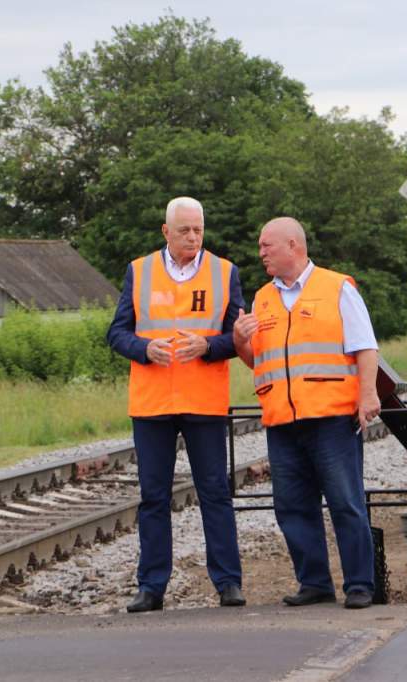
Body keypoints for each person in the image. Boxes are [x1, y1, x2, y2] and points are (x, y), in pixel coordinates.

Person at [233, 217, 381, 610]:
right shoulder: (263, 297)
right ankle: (314, 582)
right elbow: (258, 361)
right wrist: (239, 341)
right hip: (282, 420)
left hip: (331, 417)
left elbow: (366, 346)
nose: (261, 252)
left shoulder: (337, 288)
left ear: (293, 245)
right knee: (292, 505)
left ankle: (360, 585)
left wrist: (367, 396)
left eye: (267, 245)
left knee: (345, 502)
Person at [107, 196, 246, 612]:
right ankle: (151, 587)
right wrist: (143, 349)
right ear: (166, 231)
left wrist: (209, 345)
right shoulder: (139, 271)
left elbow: (239, 338)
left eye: (198, 229)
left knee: (215, 493)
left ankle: (228, 583)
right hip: (152, 404)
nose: (192, 237)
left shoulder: (225, 273)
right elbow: (117, 333)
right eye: (184, 230)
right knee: (153, 497)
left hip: (204, 400)